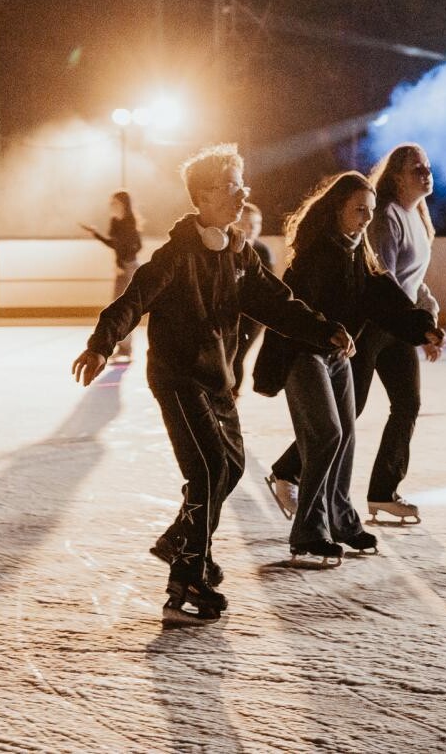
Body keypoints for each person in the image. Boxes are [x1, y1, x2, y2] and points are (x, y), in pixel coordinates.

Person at [70, 143, 351, 626]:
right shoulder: (176, 255)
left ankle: (180, 540)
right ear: (202, 196)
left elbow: (278, 304)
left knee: (232, 467)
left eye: (242, 184)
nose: (243, 194)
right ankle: (186, 581)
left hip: (217, 380)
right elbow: (133, 300)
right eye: (231, 186)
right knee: (208, 469)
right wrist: (101, 344)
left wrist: (324, 329)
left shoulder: (238, 254)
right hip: (178, 379)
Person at [252, 172, 446, 562]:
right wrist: (328, 333)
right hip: (302, 353)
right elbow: (294, 313)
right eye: (359, 210)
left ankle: (341, 519)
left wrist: (423, 327)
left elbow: (385, 298)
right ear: (336, 209)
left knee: (346, 435)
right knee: (326, 435)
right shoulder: (316, 256)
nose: (366, 219)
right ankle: (308, 529)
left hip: (337, 356)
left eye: (370, 211)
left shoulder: (358, 253)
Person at [356, 143, 446, 524]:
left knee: (407, 404)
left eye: (427, 167)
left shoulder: (418, 217)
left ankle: (383, 492)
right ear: (396, 177)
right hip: (373, 325)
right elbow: (385, 280)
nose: (426, 174)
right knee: (349, 408)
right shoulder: (386, 216)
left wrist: (429, 315)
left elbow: (413, 282)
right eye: (416, 169)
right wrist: (419, 325)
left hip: (399, 325)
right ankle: (287, 471)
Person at [80, 191, 142, 363]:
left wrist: (123, 262)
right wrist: (96, 234)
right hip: (122, 267)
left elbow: (137, 246)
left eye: (114, 203)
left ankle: (126, 349)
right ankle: (124, 348)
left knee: (124, 309)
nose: (111, 206)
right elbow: (114, 245)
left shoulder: (129, 222)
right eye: (111, 203)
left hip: (129, 267)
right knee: (118, 308)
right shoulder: (115, 222)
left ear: (123, 204)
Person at [231, 203, 274, 396]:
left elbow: (268, 286)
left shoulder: (262, 252)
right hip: (228, 311)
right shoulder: (224, 247)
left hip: (253, 316)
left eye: (256, 224)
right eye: (246, 223)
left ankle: (232, 396)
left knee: (237, 354)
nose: (251, 228)